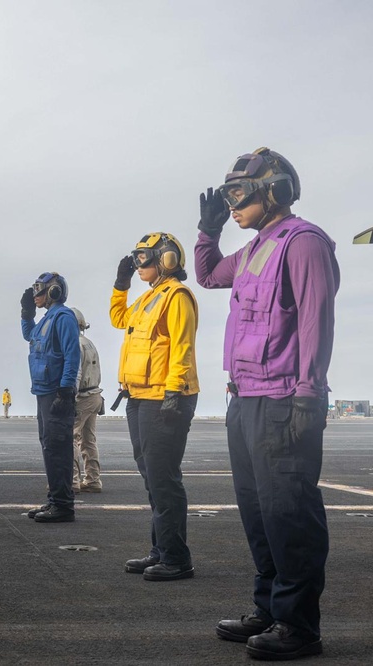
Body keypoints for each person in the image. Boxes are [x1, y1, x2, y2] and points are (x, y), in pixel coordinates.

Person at [196, 148, 338, 660]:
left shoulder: (302, 243)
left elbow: (316, 324)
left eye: (240, 195)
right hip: (246, 399)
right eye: (228, 196)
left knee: (289, 513)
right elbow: (210, 276)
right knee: (258, 512)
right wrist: (207, 233)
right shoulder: (256, 246)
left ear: (273, 191)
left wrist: (308, 395)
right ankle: (270, 607)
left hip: (284, 400)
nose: (232, 204)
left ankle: (299, 627)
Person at [111, 232, 199, 582]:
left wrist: (174, 392)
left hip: (164, 397)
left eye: (144, 257)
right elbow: (119, 320)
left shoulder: (177, 296)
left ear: (167, 259)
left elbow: (183, 346)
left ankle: (177, 558)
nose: (139, 264)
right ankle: (161, 550)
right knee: (151, 476)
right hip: (139, 396)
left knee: (163, 479)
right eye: (136, 257)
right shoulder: (149, 298)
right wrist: (121, 284)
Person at [20, 272, 80, 524]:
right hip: (44, 392)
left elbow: (72, 354)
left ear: (54, 291)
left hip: (56, 393)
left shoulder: (64, 317)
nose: (36, 295)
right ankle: (56, 499)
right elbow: (30, 336)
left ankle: (63, 505)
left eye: (40, 290)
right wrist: (26, 315)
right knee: (50, 447)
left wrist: (66, 391)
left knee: (58, 448)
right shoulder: (48, 318)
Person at [70, 308, 104, 493]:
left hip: (82, 396)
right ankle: (93, 480)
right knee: (88, 439)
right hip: (95, 396)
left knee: (70, 437)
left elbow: (76, 374)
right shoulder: (89, 343)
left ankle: (71, 481)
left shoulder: (75, 344)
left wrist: (70, 399)